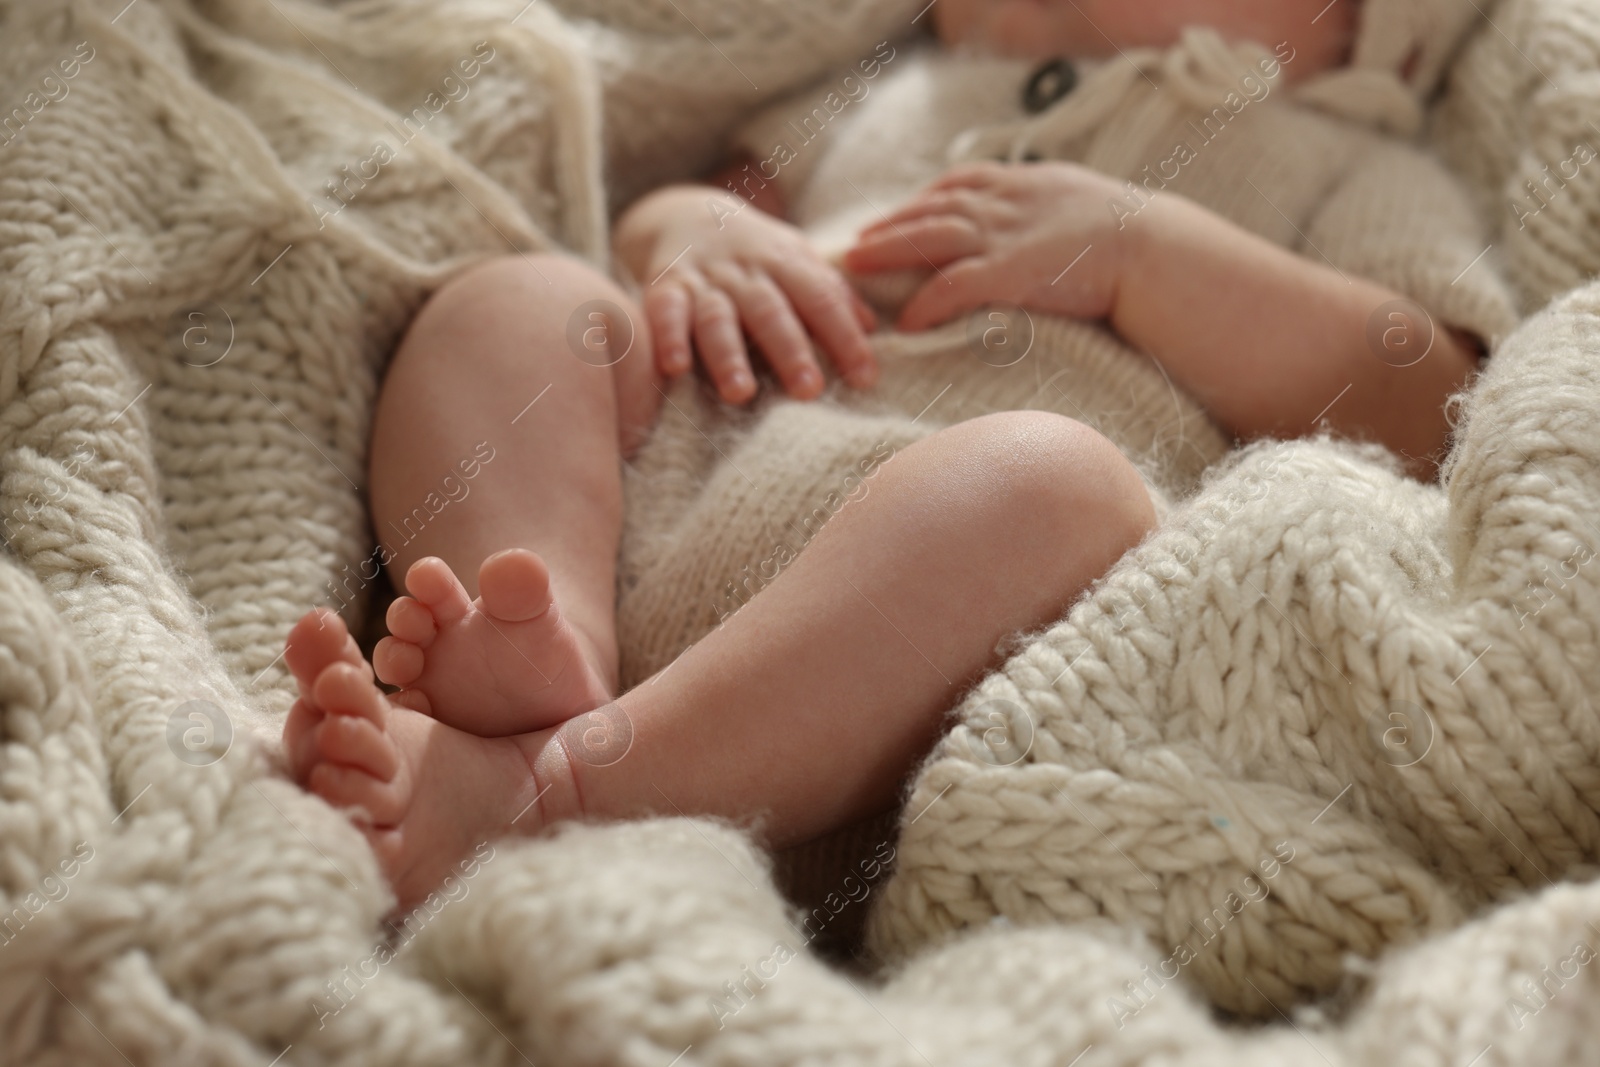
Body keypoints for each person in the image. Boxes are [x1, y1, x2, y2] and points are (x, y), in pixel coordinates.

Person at [281, 0, 1505, 910]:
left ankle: (553, 798)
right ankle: (535, 632)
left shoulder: (1349, 160)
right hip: (665, 478)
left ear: (1367, 32)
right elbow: (687, 206)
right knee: (523, 300)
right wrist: (698, 238)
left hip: (907, 627)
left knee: (1053, 481)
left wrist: (1145, 249)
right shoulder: (903, 92)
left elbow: (1425, 395)